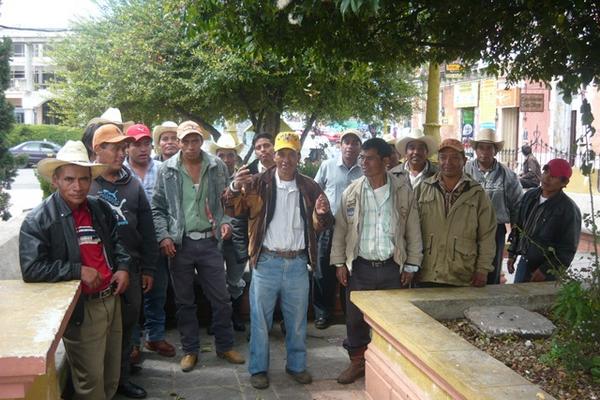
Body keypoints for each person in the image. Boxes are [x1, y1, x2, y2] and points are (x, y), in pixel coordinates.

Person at [19, 140, 131, 400]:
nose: (77, 186)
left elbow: (116, 242)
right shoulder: (39, 219)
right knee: (90, 382)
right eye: (69, 179)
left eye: (83, 179)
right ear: (55, 180)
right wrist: (77, 270)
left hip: (111, 299)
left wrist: (123, 266)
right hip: (82, 309)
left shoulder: (99, 208)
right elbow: (31, 268)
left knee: (111, 374)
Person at [223, 131, 334, 390]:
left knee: (297, 321)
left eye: (291, 154)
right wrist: (233, 187)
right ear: (274, 156)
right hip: (266, 261)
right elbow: (231, 208)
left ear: (298, 157)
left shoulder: (309, 186)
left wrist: (322, 214)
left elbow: (322, 225)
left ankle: (296, 365)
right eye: (281, 154)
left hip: (297, 263)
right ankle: (258, 369)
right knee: (260, 321)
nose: (286, 159)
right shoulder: (257, 183)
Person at [152, 120, 245, 373]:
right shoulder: (167, 170)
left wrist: (225, 223)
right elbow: (157, 207)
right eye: (186, 141)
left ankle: (225, 346)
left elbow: (227, 202)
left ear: (201, 141)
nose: (191, 146)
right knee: (184, 302)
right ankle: (190, 350)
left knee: (222, 298)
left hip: (209, 242)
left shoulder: (216, 166)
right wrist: (164, 236)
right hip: (180, 244)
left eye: (195, 140)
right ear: (179, 142)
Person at [330, 138, 422, 384]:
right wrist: (339, 263)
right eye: (362, 158)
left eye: (369, 158)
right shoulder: (352, 191)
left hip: (392, 267)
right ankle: (357, 363)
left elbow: (413, 230)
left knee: (394, 320)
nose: (363, 163)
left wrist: (412, 264)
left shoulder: (402, 191)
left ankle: (389, 367)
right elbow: (341, 230)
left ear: (385, 161)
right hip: (360, 268)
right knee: (355, 320)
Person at [91, 124, 158, 399]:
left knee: (128, 327)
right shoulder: (87, 184)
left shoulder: (133, 184)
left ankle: (122, 379)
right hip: (98, 272)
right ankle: (100, 382)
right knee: (100, 331)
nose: (122, 153)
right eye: (115, 148)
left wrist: (148, 268)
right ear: (98, 150)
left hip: (132, 268)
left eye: (123, 148)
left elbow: (148, 229)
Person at [124, 124, 176, 363]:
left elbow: (169, 205)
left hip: (156, 243)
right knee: (132, 296)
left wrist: (166, 235)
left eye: (146, 143)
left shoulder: (163, 170)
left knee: (158, 291)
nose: (143, 149)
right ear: (127, 147)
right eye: (137, 144)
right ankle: (133, 341)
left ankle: (155, 336)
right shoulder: (121, 172)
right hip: (130, 244)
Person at [414, 138, 497, 287]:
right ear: (437, 160)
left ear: (464, 161)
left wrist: (483, 269)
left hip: (461, 273)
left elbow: (487, 236)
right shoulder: (423, 188)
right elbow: (410, 229)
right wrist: (411, 264)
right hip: (426, 272)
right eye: (443, 157)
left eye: (454, 158)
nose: (448, 162)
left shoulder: (476, 193)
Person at [312, 129, 363, 329]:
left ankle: (349, 314)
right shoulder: (328, 166)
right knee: (322, 270)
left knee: (349, 271)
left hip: (353, 228)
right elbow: (315, 190)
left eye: (355, 142)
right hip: (329, 226)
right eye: (346, 142)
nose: (350, 146)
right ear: (340, 145)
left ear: (360, 146)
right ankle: (322, 314)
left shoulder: (364, 168)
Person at [508, 159, 581, 282]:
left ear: (564, 182)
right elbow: (518, 226)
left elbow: (568, 248)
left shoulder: (568, 210)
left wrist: (546, 270)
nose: (547, 178)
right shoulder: (529, 196)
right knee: (518, 293)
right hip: (525, 262)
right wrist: (512, 253)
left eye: (554, 176)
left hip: (547, 270)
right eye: (546, 172)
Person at [465, 129, 523, 284]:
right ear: (475, 149)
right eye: (481, 147)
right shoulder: (465, 170)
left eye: (489, 148)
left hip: (495, 229)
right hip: (467, 227)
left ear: (495, 151)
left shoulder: (507, 175)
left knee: (492, 269)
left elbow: (517, 205)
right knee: (466, 267)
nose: (484, 152)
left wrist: (515, 232)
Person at [209, 133, 247, 331]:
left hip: (237, 238)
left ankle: (236, 315)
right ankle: (217, 319)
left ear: (235, 157)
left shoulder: (244, 179)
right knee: (214, 279)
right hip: (213, 237)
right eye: (221, 155)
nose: (226, 159)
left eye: (230, 155)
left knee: (235, 279)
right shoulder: (209, 178)